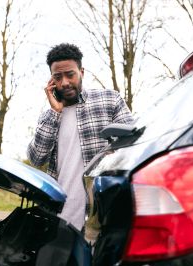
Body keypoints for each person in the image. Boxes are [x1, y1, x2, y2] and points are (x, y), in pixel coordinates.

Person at [27, 43, 133, 230]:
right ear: (51, 80)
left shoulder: (109, 100)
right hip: (60, 215)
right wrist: (55, 113)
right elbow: (36, 159)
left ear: (81, 71)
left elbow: (133, 144)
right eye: (57, 77)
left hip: (102, 214)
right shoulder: (49, 116)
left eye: (70, 74)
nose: (65, 82)